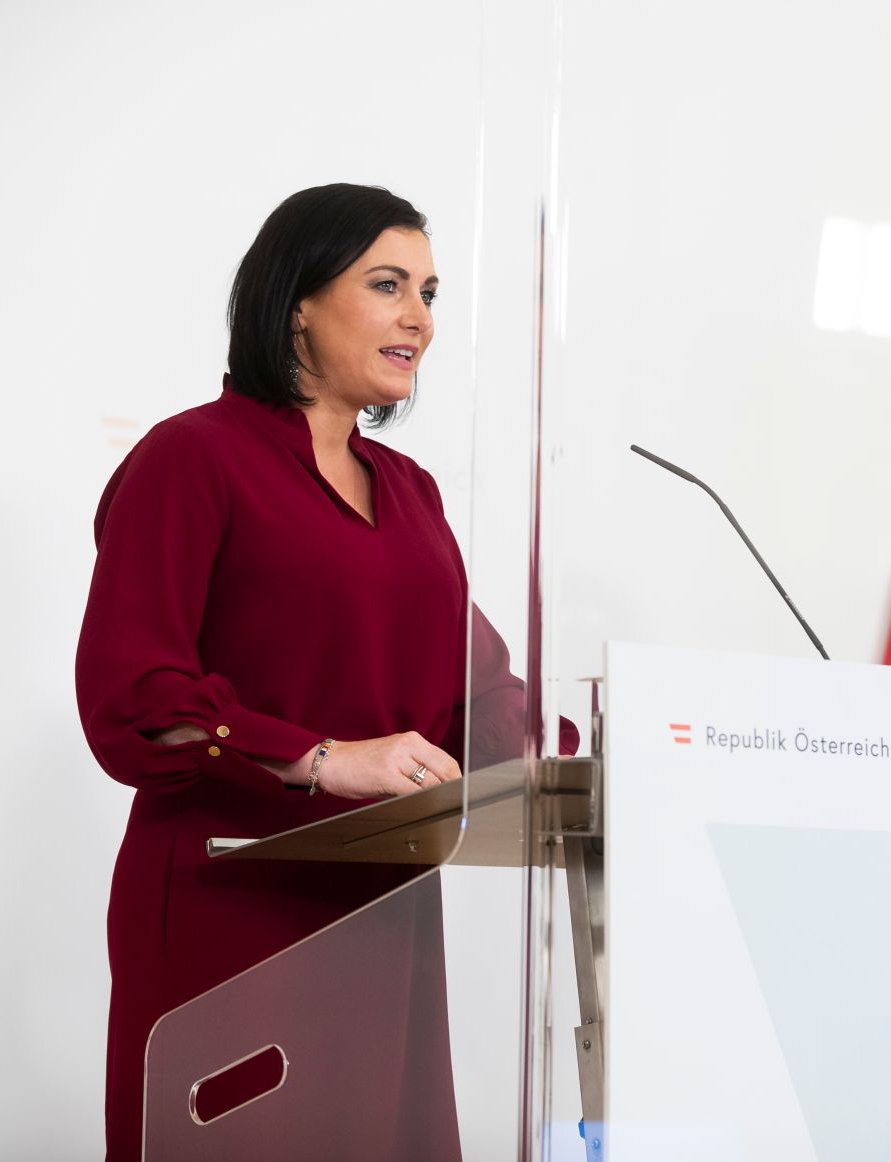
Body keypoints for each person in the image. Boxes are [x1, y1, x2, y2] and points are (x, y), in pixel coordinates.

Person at [75, 184, 572, 1160]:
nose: (419, 317)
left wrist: (578, 756)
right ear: (296, 302)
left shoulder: (411, 492)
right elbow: (134, 699)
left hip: (379, 914)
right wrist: (321, 757)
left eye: (429, 292)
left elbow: (476, 690)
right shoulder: (191, 459)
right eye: (387, 285)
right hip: (234, 903)